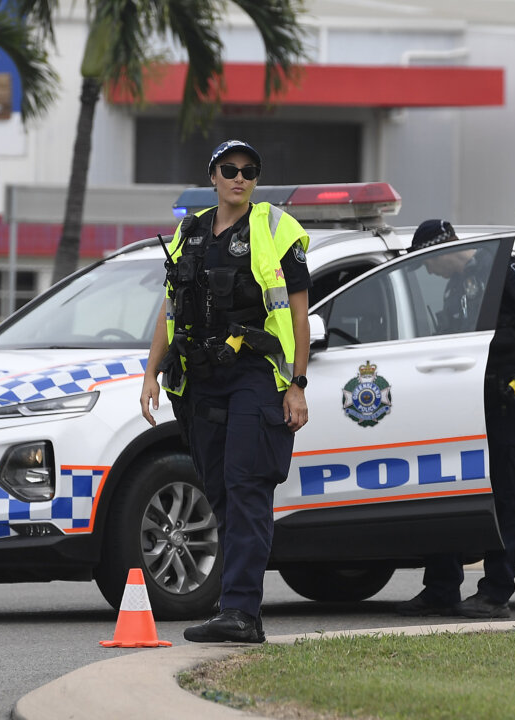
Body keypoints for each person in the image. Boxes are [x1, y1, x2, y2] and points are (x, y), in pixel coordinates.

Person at [140, 140, 311, 643]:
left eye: (250, 171)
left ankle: (242, 613)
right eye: (230, 169)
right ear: (212, 175)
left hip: (255, 376)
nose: (240, 178)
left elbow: (298, 315)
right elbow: (170, 311)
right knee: (218, 491)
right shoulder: (188, 232)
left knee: (246, 487)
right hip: (200, 379)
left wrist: (297, 384)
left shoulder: (276, 228)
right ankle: (231, 609)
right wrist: (151, 373)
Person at [397, 219, 515, 619]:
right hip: (467, 404)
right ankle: (442, 588)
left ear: (442, 250)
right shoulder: (455, 286)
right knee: (452, 489)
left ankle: (495, 593)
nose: (427, 270)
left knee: (506, 494)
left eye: (428, 261)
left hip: (506, 403)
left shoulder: (499, 268)